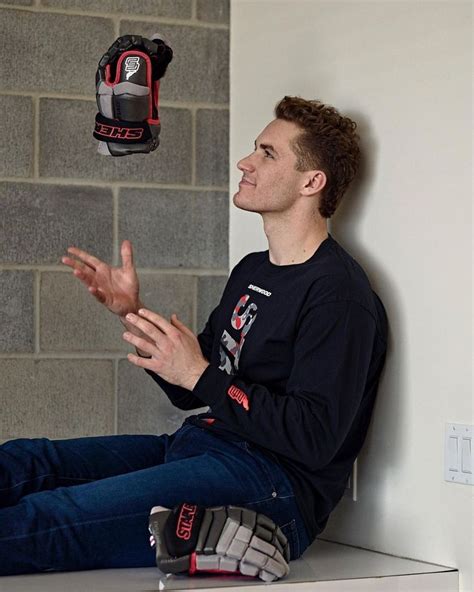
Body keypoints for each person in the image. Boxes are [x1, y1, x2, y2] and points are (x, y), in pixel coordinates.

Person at [0, 96, 388, 576]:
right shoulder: (252, 270)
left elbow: (313, 437)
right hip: (202, 445)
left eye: (267, 154)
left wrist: (199, 374)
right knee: (27, 462)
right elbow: (194, 383)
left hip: (271, 486)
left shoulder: (339, 296)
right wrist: (133, 312)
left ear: (312, 182)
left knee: (54, 516)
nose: (245, 163)